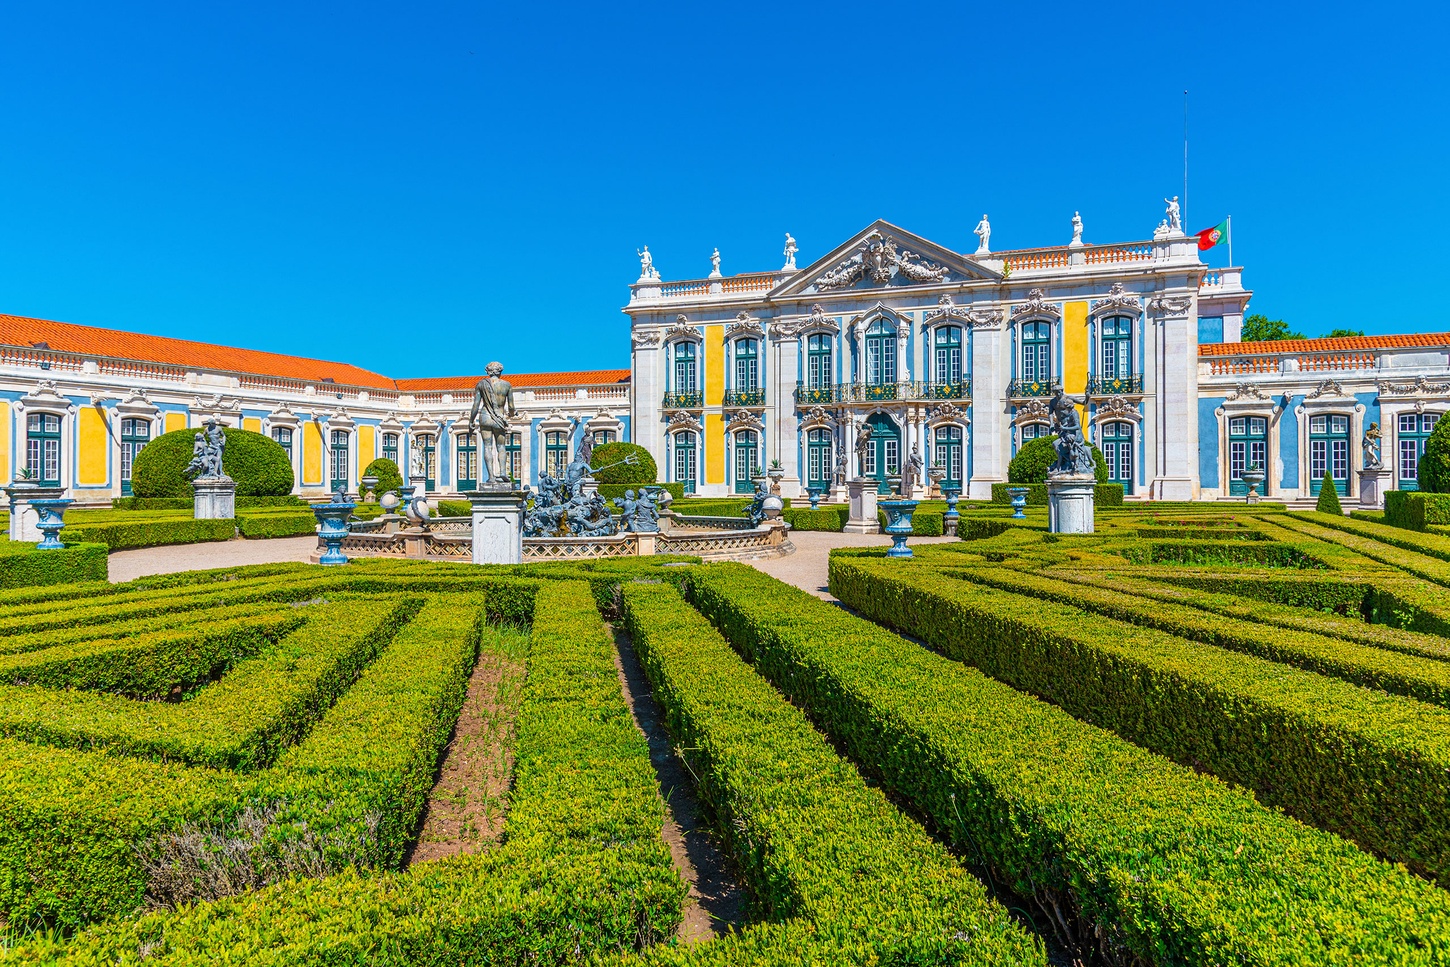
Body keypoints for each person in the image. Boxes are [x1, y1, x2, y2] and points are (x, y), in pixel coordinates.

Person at [468, 362, 518, 485]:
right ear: (500, 371)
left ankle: (491, 477)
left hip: (485, 416)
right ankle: (502, 472)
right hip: (499, 418)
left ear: (488, 371)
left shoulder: (481, 384)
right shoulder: (507, 385)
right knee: (501, 446)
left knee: (487, 447)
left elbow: (476, 405)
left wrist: (471, 420)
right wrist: (512, 414)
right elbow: (511, 406)